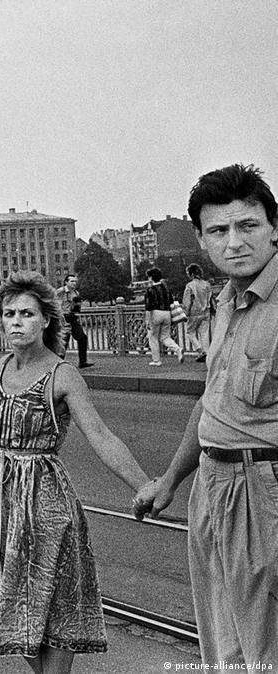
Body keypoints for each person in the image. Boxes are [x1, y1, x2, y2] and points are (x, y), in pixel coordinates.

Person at [0, 271, 150, 673]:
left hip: (45, 503)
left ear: (46, 320)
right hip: (0, 499)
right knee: (13, 602)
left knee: (51, 600)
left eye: (27, 314)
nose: (16, 321)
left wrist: (144, 485)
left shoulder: (62, 374)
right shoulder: (2, 366)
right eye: (9, 313)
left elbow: (101, 436)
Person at [133, 163, 278, 668]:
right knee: (224, 647)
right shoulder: (224, 300)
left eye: (248, 226)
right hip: (212, 488)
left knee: (268, 646)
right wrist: (170, 480)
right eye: (218, 230)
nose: (233, 242)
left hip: (264, 487)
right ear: (201, 239)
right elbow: (211, 406)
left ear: (273, 228)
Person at [144, 267, 183, 366]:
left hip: (155, 314)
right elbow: (171, 301)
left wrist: (147, 321)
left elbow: (148, 307)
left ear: (151, 277)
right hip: (167, 313)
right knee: (165, 336)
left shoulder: (150, 290)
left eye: (149, 277)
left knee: (153, 337)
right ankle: (177, 349)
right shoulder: (166, 289)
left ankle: (156, 360)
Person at [57, 274, 93, 368]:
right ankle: (58, 363)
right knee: (63, 341)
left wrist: (76, 309)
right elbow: (53, 305)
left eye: (75, 281)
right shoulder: (60, 292)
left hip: (72, 318)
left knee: (82, 338)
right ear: (66, 282)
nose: (74, 283)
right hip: (63, 319)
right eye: (72, 281)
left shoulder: (76, 293)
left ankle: (83, 362)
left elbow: (76, 307)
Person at [182, 263, 213, 362]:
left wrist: (185, 313)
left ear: (191, 274)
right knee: (204, 334)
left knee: (190, 332)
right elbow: (210, 298)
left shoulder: (190, 286)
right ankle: (207, 353)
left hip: (194, 313)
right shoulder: (207, 284)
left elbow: (187, 302)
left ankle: (200, 350)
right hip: (206, 312)